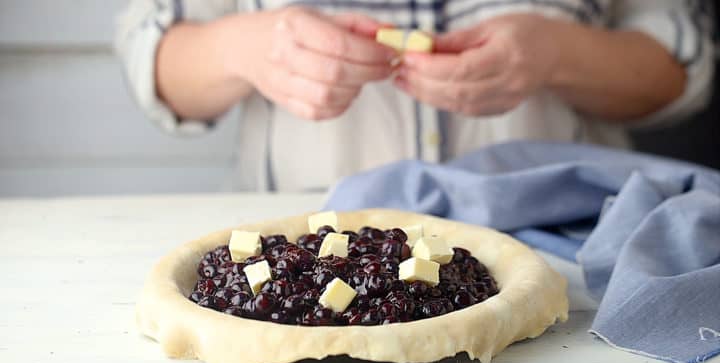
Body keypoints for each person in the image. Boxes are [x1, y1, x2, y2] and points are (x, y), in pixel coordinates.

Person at [116, 0, 714, 192]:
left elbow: (684, 68)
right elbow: (156, 58)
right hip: (298, 265)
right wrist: (248, 47)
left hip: (566, 272)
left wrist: (556, 54)